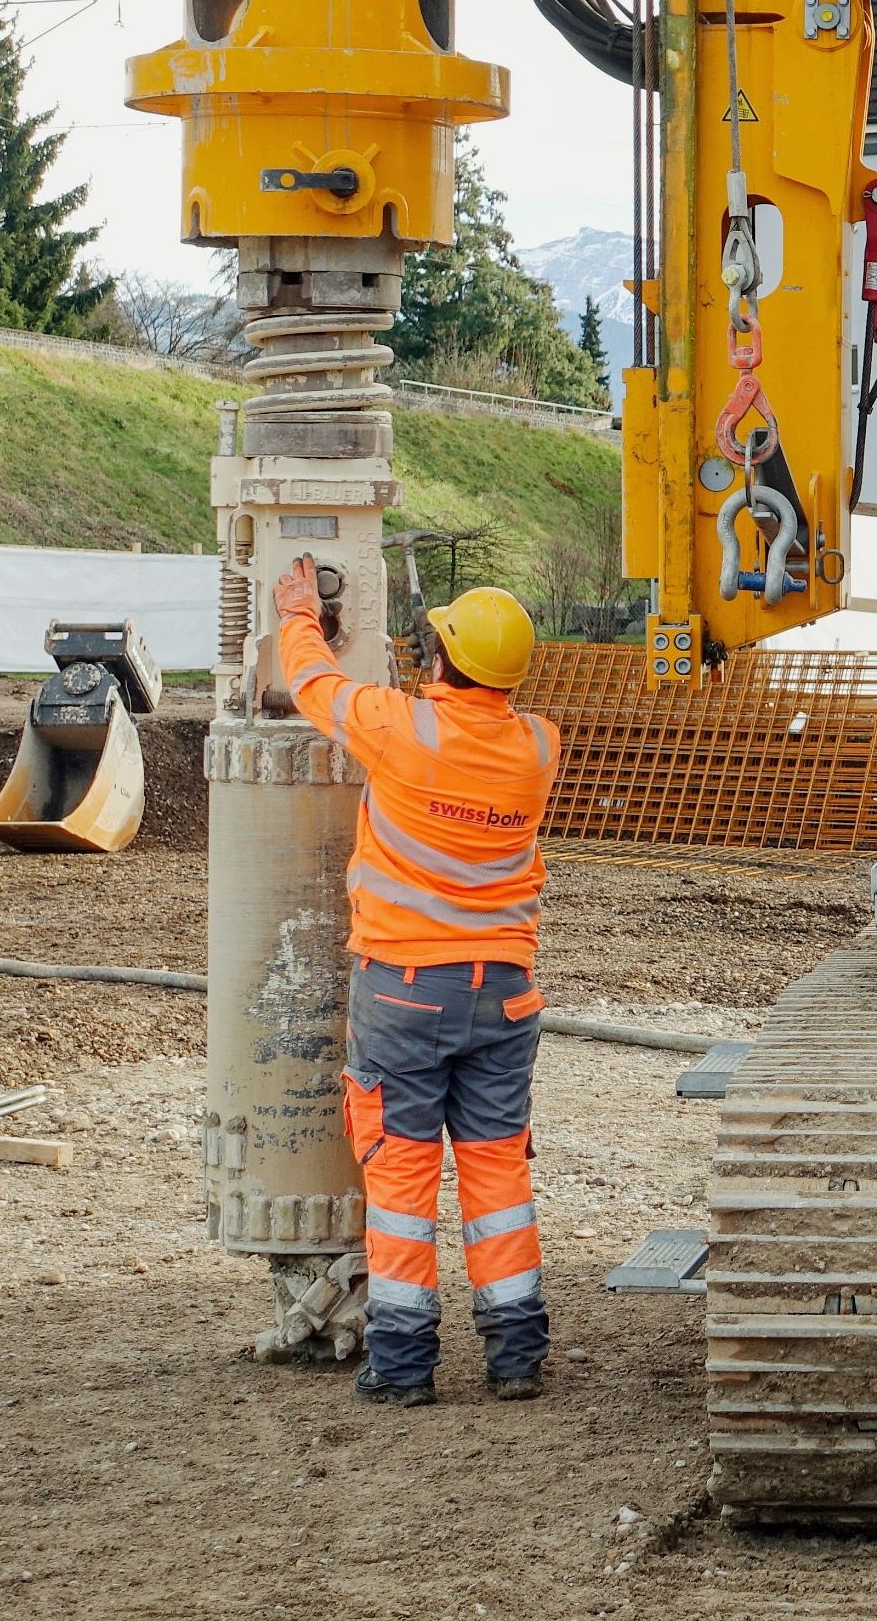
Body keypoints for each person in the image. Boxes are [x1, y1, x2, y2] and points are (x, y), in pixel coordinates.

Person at [273, 556, 561, 1407]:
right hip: (504, 993)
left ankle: (401, 1366)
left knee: (400, 1181)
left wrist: (299, 613)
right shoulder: (540, 745)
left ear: (441, 660)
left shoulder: (400, 728)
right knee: (497, 1172)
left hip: (404, 991)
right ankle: (516, 1356)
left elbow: (312, 684)